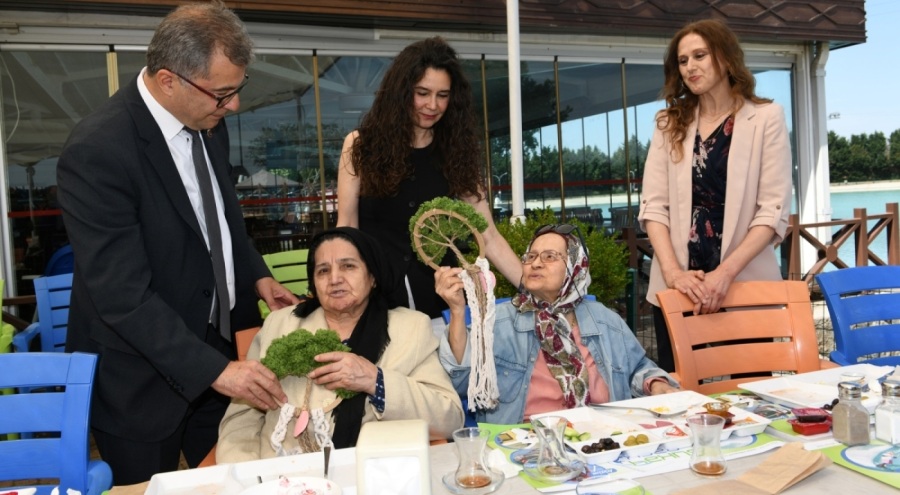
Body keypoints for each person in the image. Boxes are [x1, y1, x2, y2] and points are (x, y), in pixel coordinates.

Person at [56, 1, 299, 484]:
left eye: (237, 89)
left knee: (230, 481)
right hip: (140, 381)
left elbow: (222, 219)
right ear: (169, 80)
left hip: (218, 352)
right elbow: (121, 296)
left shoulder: (209, 121)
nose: (233, 106)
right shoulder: (97, 151)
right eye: (223, 93)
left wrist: (256, 275)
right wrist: (216, 370)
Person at [217, 227, 464, 461]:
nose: (334, 279)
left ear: (373, 277)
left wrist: (375, 381)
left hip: (369, 474)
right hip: (281, 476)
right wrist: (247, 476)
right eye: (323, 271)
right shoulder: (279, 325)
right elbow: (241, 418)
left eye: (348, 266)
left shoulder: (409, 329)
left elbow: (449, 418)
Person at [638, 19, 792, 372]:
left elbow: (772, 211)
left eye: (700, 55)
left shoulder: (767, 118)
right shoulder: (668, 123)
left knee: (751, 395)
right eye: (682, 60)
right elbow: (653, 208)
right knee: (681, 399)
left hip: (744, 284)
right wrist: (674, 274)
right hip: (678, 290)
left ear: (725, 58)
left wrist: (724, 274)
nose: (690, 66)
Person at [337, 36, 521, 321]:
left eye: (443, 95)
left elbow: (488, 234)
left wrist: (534, 289)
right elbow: (347, 228)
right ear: (401, 91)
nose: (432, 105)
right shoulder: (360, 145)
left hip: (442, 299)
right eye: (422, 92)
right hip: (377, 299)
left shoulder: (457, 151)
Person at [435, 224, 678, 425]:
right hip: (525, 446)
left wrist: (655, 383)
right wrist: (458, 311)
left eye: (549, 257)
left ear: (575, 267)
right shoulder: (497, 322)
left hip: (604, 437)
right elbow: (462, 380)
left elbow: (639, 367)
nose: (535, 263)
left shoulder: (604, 320)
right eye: (530, 257)